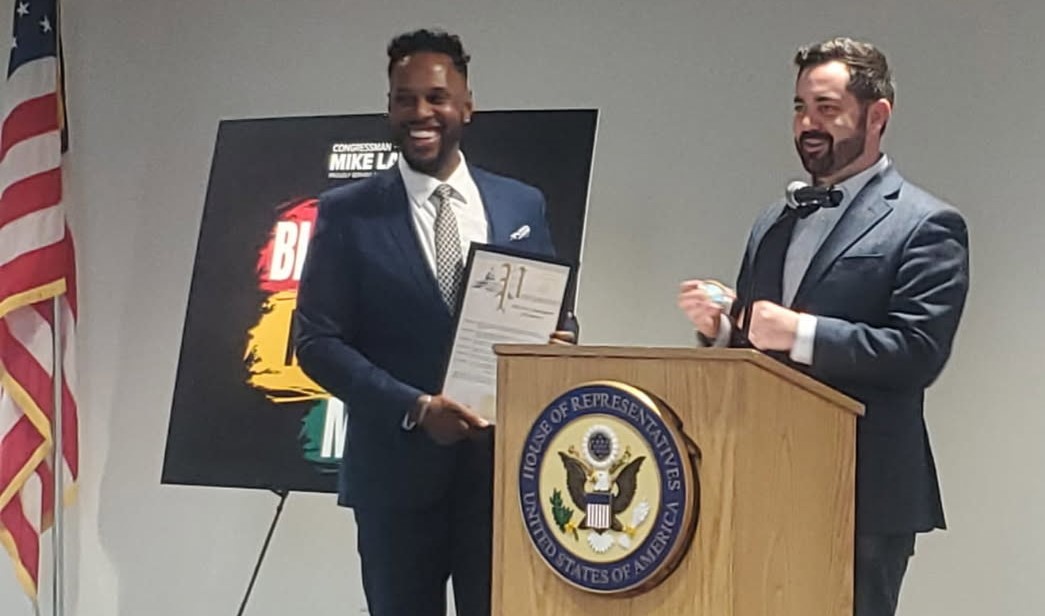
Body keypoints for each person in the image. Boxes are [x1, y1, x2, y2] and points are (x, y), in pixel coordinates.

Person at [677, 37, 969, 616]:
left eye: (827, 109)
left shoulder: (926, 224)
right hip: (762, 478)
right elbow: (760, 347)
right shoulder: (774, 220)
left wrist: (800, 333)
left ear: (877, 116)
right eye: (799, 107)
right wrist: (723, 331)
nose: (808, 124)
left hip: (864, 493)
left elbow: (917, 353)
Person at [294, 28, 573, 616]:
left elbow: (555, 310)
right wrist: (417, 408)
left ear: (467, 105)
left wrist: (559, 343)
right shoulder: (347, 213)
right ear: (389, 108)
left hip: (500, 478)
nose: (421, 112)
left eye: (437, 97)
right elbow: (317, 343)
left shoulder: (522, 204)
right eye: (405, 99)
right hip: (394, 484)